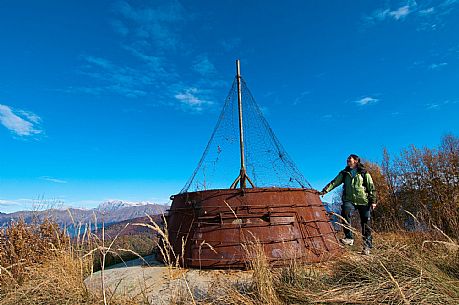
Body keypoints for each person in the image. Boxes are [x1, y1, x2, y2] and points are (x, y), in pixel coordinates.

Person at [320, 154, 376, 255]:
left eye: (350, 159)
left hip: (363, 200)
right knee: (345, 212)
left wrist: (373, 201)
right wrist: (325, 191)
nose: (348, 161)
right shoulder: (345, 173)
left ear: (356, 161)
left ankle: (367, 246)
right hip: (349, 200)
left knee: (366, 223)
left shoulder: (364, 172)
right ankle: (349, 238)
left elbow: (371, 186)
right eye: (347, 160)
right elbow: (335, 182)